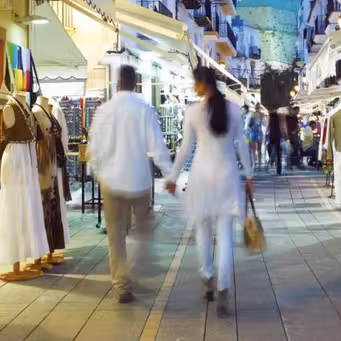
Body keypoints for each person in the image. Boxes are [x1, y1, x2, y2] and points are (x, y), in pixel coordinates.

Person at [165, 67, 252, 317]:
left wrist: (172, 177)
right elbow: (241, 146)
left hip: (202, 177)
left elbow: (185, 149)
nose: (194, 87)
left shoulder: (193, 112)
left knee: (202, 231)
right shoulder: (234, 110)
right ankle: (223, 288)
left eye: (196, 83)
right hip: (227, 177)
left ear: (203, 84)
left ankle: (207, 278)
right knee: (225, 235)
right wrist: (249, 175)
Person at [89, 65, 173, 303]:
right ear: (135, 83)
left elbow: (95, 147)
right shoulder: (144, 109)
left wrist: (96, 171)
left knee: (115, 235)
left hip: (111, 181)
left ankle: (122, 284)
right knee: (143, 232)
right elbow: (157, 147)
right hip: (138, 181)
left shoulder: (103, 111)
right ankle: (132, 269)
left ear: (118, 84)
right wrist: (170, 174)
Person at [248, 104, 264, 169]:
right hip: (256, 132)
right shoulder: (260, 115)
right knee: (256, 149)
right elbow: (249, 124)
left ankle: (255, 165)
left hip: (255, 132)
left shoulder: (253, 114)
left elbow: (249, 125)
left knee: (255, 149)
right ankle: (257, 164)